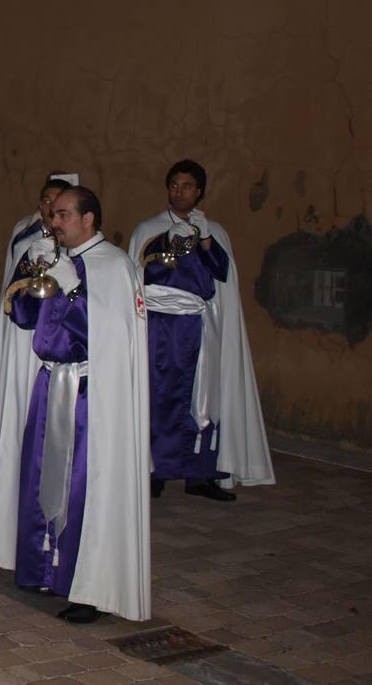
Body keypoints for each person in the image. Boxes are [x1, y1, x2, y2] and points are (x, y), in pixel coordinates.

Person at [0, 186, 150, 624]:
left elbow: (108, 335)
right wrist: (31, 272)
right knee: (39, 476)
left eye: (65, 215)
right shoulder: (59, 260)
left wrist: (73, 292)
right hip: (49, 384)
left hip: (91, 391)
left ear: (90, 218)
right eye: (53, 215)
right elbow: (23, 318)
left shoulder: (113, 265)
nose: (55, 223)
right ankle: (40, 567)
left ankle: (87, 584)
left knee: (82, 486)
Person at [127, 160, 274, 500]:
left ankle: (199, 473)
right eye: (175, 185)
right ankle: (154, 471)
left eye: (188, 186)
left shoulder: (213, 231)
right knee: (157, 395)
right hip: (158, 328)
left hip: (199, 327)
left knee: (203, 399)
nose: (180, 191)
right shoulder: (147, 229)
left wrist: (205, 239)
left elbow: (222, 277)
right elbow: (135, 278)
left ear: (200, 191)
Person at [0, 177, 72, 517]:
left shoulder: (78, 248)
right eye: (45, 201)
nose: (50, 209)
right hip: (24, 345)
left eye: (58, 203)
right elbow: (17, 302)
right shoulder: (28, 243)